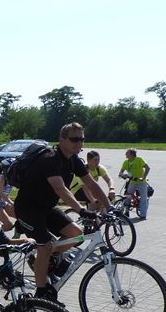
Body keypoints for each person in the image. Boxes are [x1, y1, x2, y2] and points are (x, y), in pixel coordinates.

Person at [13, 122, 108, 300]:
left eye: (82, 139)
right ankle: (41, 293)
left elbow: (91, 183)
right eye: (74, 139)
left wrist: (110, 208)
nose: (79, 143)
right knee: (45, 246)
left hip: (47, 208)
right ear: (62, 139)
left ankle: (44, 260)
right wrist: (81, 210)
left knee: (76, 234)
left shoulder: (74, 160)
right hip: (28, 209)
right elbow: (60, 189)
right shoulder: (49, 158)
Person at [118, 148, 151, 220]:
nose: (125, 154)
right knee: (128, 196)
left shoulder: (139, 159)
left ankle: (143, 215)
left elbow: (147, 168)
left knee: (143, 198)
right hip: (132, 181)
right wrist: (123, 175)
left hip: (141, 182)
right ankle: (126, 212)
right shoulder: (126, 162)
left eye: (127, 153)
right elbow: (120, 172)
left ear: (132, 154)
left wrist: (143, 177)